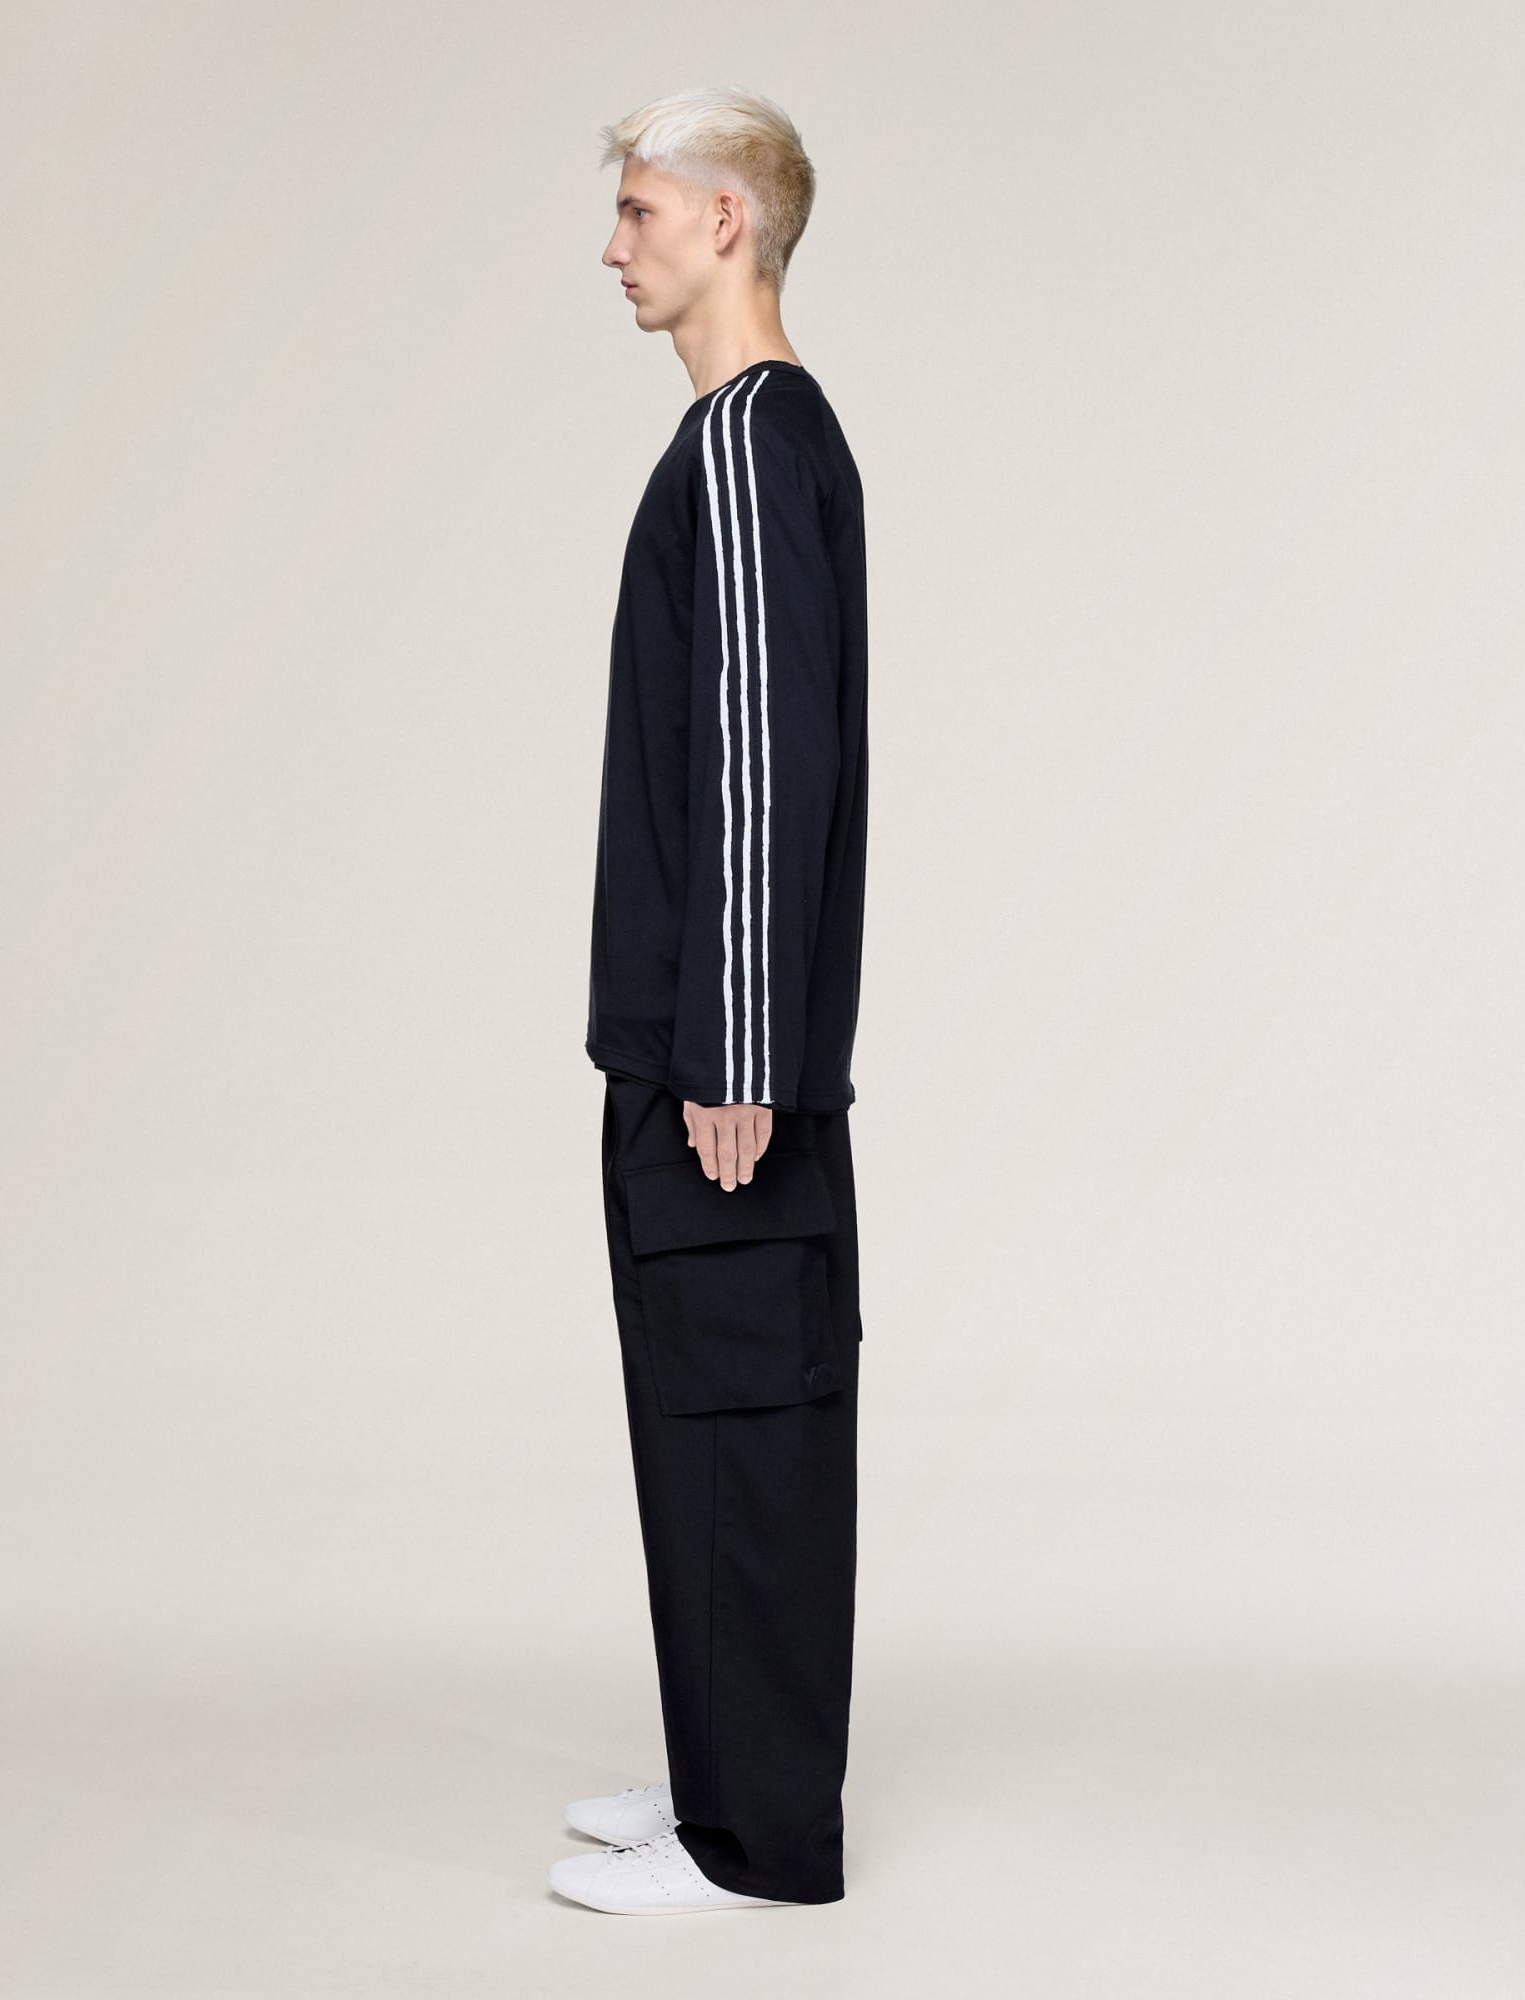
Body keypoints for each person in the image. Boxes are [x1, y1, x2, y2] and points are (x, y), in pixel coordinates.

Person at [549, 83, 871, 1917]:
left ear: (728, 221)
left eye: (642, 212)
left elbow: (764, 753)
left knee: (743, 1426)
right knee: (712, 1413)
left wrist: (734, 1047)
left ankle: (755, 1844)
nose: (615, 247)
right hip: (704, 1052)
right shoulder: (753, 439)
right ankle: (720, 1786)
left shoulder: (747, 444)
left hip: (718, 1068)